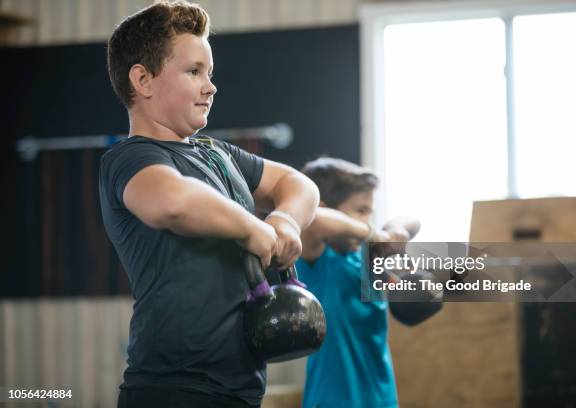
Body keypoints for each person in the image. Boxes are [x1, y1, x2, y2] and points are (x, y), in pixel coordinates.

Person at [99, 2, 319, 407]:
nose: (210, 86)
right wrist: (255, 228)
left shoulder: (217, 154)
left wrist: (285, 220)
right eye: (193, 71)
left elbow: (297, 182)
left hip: (240, 391)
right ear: (143, 79)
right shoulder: (129, 159)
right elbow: (173, 201)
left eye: (210, 73)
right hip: (174, 390)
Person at [297, 157, 420, 408]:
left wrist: (395, 229)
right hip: (333, 402)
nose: (367, 221)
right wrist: (372, 234)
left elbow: (413, 222)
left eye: (370, 213)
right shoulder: (318, 260)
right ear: (326, 206)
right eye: (361, 211)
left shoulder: (365, 259)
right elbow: (314, 218)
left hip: (382, 400)